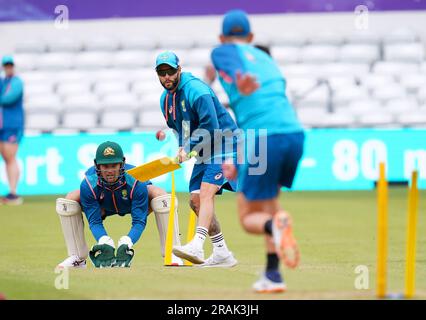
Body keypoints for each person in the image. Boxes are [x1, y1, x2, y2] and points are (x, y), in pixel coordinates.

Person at [210, 9, 305, 292]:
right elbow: (263, 108)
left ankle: (276, 227)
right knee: (270, 205)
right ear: (251, 36)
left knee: (249, 217)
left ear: (222, 36)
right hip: (294, 134)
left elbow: (226, 55)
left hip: (264, 139)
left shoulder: (223, 52)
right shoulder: (268, 60)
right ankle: (273, 275)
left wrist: (233, 80)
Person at [154, 51, 238, 267]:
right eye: (162, 73)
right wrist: (183, 147)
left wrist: (189, 148)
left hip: (225, 143)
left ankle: (197, 245)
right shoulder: (166, 99)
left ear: (179, 70)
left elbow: (212, 126)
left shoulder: (196, 90)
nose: (167, 77)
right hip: (205, 150)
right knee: (195, 201)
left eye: (170, 71)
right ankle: (222, 253)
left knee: (207, 192)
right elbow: (181, 127)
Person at [56, 141, 183, 268]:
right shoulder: (88, 184)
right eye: (105, 166)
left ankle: (173, 253)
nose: (110, 171)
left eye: (114, 165)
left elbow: (139, 221)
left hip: (133, 202)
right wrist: (104, 240)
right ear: (97, 166)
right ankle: (77, 258)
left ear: (122, 164)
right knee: (70, 199)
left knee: (160, 194)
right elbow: (94, 221)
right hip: (103, 206)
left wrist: (128, 241)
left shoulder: (136, 180)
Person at [0, 55, 24, 205]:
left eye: (10, 65)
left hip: (12, 125)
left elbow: (8, 99)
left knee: (10, 157)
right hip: (3, 125)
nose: (8, 67)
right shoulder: (3, 82)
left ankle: (14, 193)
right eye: (6, 65)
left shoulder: (16, 82)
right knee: (6, 158)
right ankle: (11, 192)